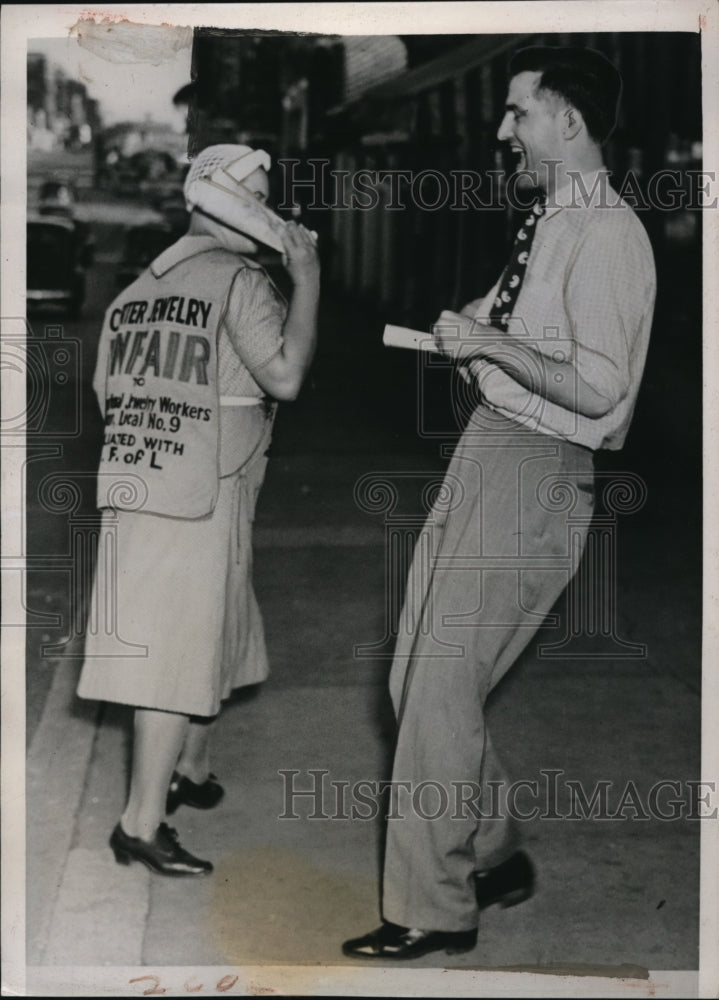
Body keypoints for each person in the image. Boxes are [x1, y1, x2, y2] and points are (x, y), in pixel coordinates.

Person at [343, 46, 656, 959]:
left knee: (438, 690)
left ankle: (431, 910)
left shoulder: (605, 233)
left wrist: (493, 343)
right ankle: (492, 850)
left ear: (568, 122)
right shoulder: (553, 219)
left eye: (516, 113)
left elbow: (597, 388)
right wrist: (473, 339)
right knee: (414, 680)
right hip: (490, 452)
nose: (501, 129)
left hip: (538, 466)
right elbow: (526, 338)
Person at [77, 144, 320, 875]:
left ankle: (191, 767)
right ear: (223, 202)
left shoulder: (136, 289)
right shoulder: (240, 281)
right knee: (174, 653)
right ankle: (140, 823)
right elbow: (285, 378)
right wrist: (306, 278)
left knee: (211, 625)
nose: (274, 214)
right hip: (203, 489)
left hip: (140, 478)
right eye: (263, 197)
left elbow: (104, 393)